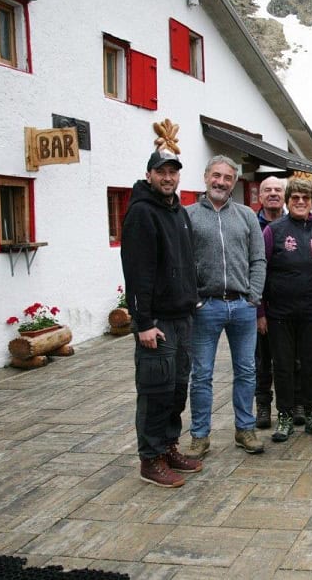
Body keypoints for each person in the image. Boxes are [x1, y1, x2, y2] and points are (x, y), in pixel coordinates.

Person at [121, 150, 202, 488]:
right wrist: (143, 323)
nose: (168, 178)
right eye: (162, 172)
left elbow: (185, 261)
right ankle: (150, 458)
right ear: (149, 174)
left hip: (182, 318)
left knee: (176, 388)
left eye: (173, 172)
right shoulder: (142, 213)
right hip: (157, 323)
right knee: (155, 390)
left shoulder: (178, 212)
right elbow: (136, 273)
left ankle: (169, 447)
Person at [185, 155, 266, 458]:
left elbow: (258, 259)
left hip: (242, 306)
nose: (221, 182)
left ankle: (245, 429)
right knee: (202, 374)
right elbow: (182, 262)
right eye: (216, 176)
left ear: (233, 182)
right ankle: (199, 436)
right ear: (206, 177)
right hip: (206, 307)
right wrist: (195, 300)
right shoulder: (188, 215)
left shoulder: (246, 215)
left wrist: (253, 297)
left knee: (246, 371)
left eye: (227, 177)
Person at [261, 178, 312, 442]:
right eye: (295, 197)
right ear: (288, 201)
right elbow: (260, 272)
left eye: (305, 198)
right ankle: (284, 416)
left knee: (311, 365)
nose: (300, 202)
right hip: (280, 313)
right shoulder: (273, 231)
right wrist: (260, 311)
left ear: (311, 202)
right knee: (282, 366)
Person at [254, 176, 288, 430]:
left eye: (278, 189)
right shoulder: (251, 224)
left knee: (291, 360)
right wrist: (258, 310)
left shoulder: (295, 223)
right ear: (260, 196)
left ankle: (294, 405)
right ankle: (263, 406)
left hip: (288, 306)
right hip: (260, 305)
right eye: (268, 190)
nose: (274, 193)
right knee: (261, 361)